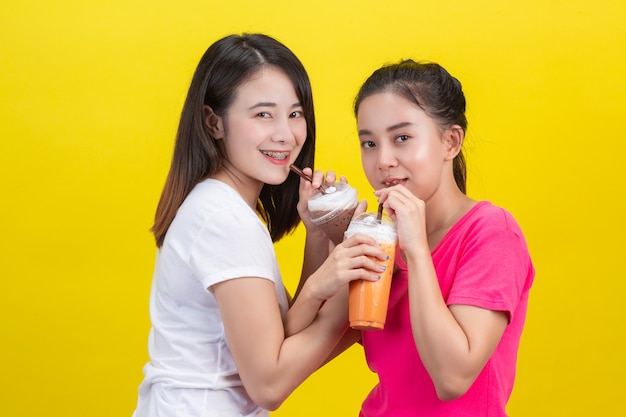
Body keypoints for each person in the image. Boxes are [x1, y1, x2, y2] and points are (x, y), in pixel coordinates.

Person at [131, 33, 386, 417]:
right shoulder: (224, 220)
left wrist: (317, 235)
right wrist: (345, 297)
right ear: (213, 123)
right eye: (263, 114)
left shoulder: (222, 207)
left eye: (295, 114)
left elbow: (281, 336)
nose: (285, 134)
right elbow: (269, 383)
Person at [338, 60, 535, 416]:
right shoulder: (380, 239)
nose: (382, 160)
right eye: (368, 143)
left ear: (450, 142)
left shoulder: (492, 233)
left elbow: (452, 378)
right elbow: (296, 355)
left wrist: (416, 251)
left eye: (402, 138)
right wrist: (322, 234)